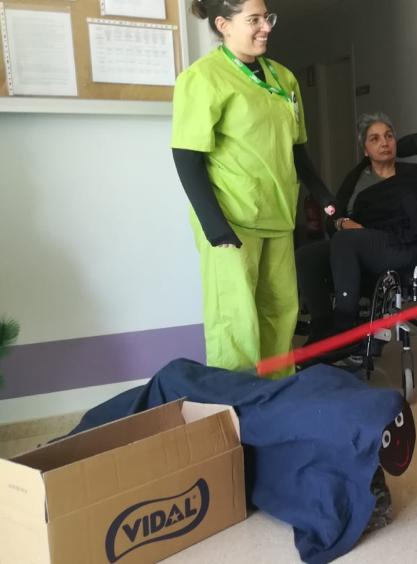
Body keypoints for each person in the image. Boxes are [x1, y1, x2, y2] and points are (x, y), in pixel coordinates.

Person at [171, 0, 335, 377]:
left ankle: (276, 394)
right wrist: (214, 225)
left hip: (277, 214)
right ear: (224, 25)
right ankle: (238, 403)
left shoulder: (284, 78)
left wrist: (320, 191)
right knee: (235, 320)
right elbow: (187, 156)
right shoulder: (203, 78)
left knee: (280, 312)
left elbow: (296, 147)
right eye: (254, 20)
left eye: (267, 17)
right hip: (232, 219)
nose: (267, 27)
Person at [295, 113, 417, 346]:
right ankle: (322, 327)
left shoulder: (415, 176)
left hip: (399, 244)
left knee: (345, 240)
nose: (384, 143)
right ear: (365, 150)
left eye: (389, 136)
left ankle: (344, 326)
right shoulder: (356, 178)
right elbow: (333, 215)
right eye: (375, 139)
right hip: (358, 244)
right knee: (306, 256)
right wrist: (341, 223)